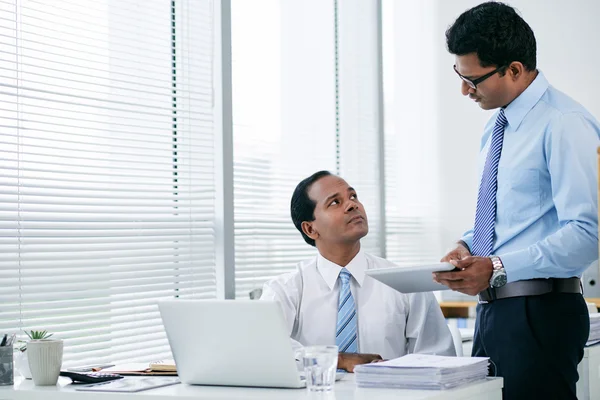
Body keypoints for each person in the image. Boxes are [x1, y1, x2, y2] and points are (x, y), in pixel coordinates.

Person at [434, 2, 600, 399]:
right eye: (460, 75)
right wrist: (467, 246)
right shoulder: (496, 126)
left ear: (514, 69)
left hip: (540, 315)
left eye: (473, 80)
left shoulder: (564, 123)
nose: (464, 90)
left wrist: (496, 266)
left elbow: (588, 233)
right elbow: (503, 220)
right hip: (493, 312)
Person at [261, 171, 455, 373]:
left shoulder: (407, 284)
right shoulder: (285, 290)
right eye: (335, 202)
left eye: (353, 196)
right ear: (310, 229)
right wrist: (339, 360)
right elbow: (264, 349)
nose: (353, 205)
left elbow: (439, 361)